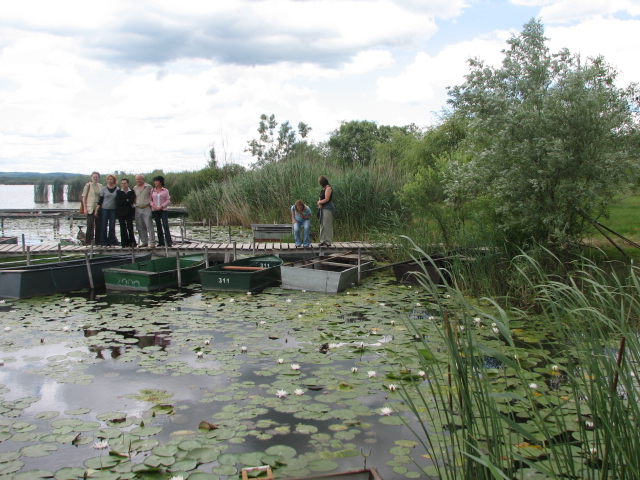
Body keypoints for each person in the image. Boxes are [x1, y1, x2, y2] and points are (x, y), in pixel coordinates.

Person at [133, 174, 155, 248]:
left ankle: (152, 242)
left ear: (143, 179)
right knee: (140, 226)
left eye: (140, 179)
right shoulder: (135, 188)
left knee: (149, 225)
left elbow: (153, 196)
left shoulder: (148, 187)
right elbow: (134, 198)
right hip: (138, 208)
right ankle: (144, 242)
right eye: (137, 179)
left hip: (146, 208)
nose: (138, 180)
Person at [97, 174, 119, 247]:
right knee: (104, 226)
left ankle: (112, 242)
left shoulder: (117, 189)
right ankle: (103, 242)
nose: (110, 180)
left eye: (111, 179)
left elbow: (118, 200)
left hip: (113, 209)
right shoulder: (104, 189)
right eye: (108, 179)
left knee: (112, 226)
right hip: (104, 209)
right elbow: (100, 200)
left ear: (114, 180)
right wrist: (97, 209)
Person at [81, 172, 102, 246]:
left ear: (98, 178)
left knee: (99, 225)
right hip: (90, 207)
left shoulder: (100, 186)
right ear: (91, 177)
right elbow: (84, 197)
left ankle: (98, 242)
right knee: (90, 225)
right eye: (94, 177)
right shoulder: (88, 185)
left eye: (97, 177)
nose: (95, 178)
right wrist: (85, 208)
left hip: (98, 208)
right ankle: (88, 242)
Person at [151, 175, 172, 247]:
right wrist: (153, 205)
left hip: (163, 210)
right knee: (158, 226)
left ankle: (169, 242)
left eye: (157, 181)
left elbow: (168, 200)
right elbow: (150, 200)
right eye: (154, 181)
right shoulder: (152, 190)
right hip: (155, 210)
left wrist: (162, 206)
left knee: (165, 225)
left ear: (161, 182)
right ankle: (161, 242)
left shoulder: (165, 190)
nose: (155, 182)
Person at [116, 178, 136, 248]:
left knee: (130, 227)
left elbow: (131, 201)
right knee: (122, 227)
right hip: (120, 212)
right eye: (122, 183)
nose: (123, 185)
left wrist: (125, 200)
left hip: (129, 212)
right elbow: (118, 201)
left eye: (125, 183)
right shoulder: (119, 191)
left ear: (127, 184)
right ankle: (124, 243)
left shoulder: (131, 191)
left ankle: (132, 242)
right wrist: (126, 200)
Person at [317, 175, 335, 247]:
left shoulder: (328, 188)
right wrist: (319, 204)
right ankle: (322, 240)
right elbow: (321, 198)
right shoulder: (323, 189)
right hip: (322, 208)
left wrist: (320, 202)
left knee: (327, 224)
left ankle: (328, 241)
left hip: (328, 208)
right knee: (322, 224)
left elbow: (327, 199)